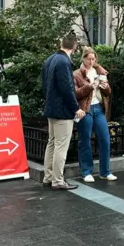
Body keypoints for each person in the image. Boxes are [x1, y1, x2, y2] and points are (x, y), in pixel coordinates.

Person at [41, 32, 84, 190]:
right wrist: (76, 108)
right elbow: (67, 88)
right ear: (75, 46)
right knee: (61, 145)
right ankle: (58, 180)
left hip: (51, 107)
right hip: (62, 110)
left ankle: (48, 177)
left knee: (51, 143)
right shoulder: (64, 62)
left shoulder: (50, 59)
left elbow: (45, 85)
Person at [73, 47, 116, 183]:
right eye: (88, 59)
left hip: (98, 108)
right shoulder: (76, 74)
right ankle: (86, 172)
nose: (91, 61)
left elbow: (108, 93)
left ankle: (105, 171)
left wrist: (105, 87)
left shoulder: (100, 71)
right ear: (83, 58)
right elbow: (75, 93)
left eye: (93, 59)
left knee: (105, 139)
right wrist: (89, 87)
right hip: (85, 109)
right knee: (85, 140)